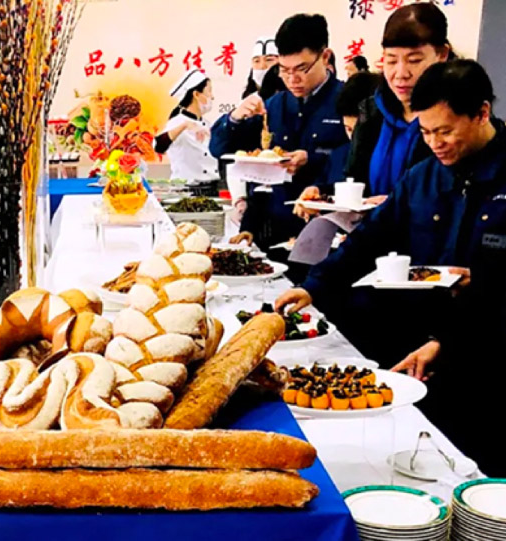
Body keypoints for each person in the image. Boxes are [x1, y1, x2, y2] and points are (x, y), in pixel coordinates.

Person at [277, 60, 504, 475]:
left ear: (481, 113)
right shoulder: (424, 176)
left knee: (480, 473)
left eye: (445, 131)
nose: (434, 143)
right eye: (425, 132)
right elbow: (371, 238)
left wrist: (480, 287)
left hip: (488, 355)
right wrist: (313, 285)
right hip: (418, 344)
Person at [294, 4, 450, 220]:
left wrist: (394, 204)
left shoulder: (455, 118)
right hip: (373, 233)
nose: (400, 73)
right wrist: (324, 194)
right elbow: (355, 181)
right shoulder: (372, 112)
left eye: (414, 60)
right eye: (391, 60)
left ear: (442, 55)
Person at [210, 13, 348, 249]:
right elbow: (220, 149)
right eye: (284, 70)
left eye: (302, 68)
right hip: (275, 234)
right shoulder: (274, 106)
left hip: (330, 234)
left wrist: (312, 159)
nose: (292, 79)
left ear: (325, 57)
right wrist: (235, 118)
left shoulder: (348, 101)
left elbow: (358, 163)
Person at [154, 69, 218, 181]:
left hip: (211, 186)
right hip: (185, 188)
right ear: (196, 94)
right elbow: (158, 146)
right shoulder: (178, 122)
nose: (212, 97)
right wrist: (184, 126)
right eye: (209, 91)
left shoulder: (208, 124)